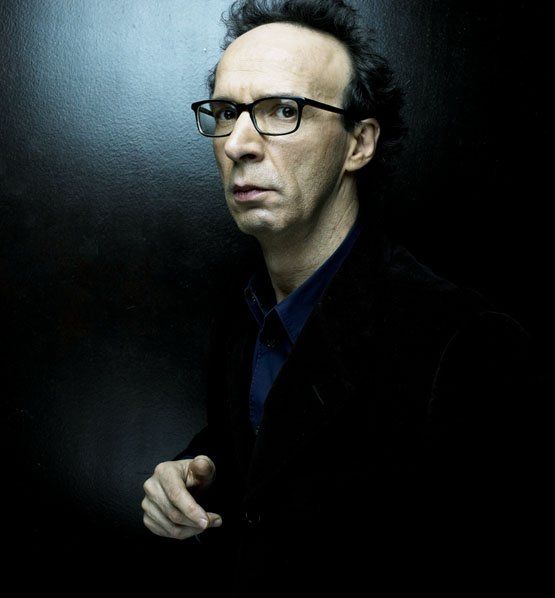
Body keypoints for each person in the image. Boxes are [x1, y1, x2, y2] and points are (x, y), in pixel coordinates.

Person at [141, 0, 530, 593]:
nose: (238, 143)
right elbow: (267, 452)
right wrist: (197, 472)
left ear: (358, 144)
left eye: (283, 110)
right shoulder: (244, 310)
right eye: (226, 112)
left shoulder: (467, 346)